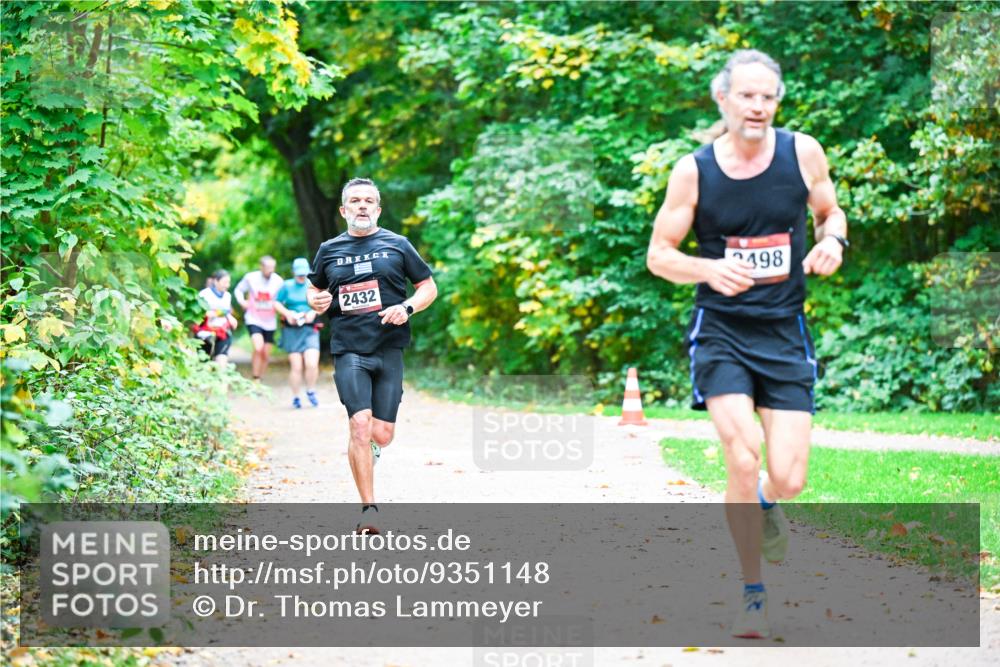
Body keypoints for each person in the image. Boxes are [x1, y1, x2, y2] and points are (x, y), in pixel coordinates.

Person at [645, 50, 848, 639]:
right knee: (741, 454)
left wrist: (834, 241)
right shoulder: (694, 171)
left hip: (785, 333)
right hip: (723, 334)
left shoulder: (802, 152)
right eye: (748, 96)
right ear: (724, 100)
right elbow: (659, 256)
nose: (758, 107)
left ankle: (766, 502)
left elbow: (831, 212)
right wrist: (708, 270)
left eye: (768, 98)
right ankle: (753, 591)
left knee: (788, 479)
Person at [306, 178, 438, 533]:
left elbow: (428, 287)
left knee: (382, 433)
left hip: (389, 347)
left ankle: (370, 449)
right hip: (349, 348)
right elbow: (314, 287)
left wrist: (407, 308)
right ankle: (369, 509)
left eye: (368, 201)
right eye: (355, 200)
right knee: (359, 425)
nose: (361, 205)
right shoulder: (329, 249)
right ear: (344, 210)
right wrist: (314, 299)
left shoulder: (397, 245)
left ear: (377, 209)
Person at [275, 257, 321, 409]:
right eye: (299, 274)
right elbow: (276, 302)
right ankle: (295, 396)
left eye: (304, 274)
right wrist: (288, 314)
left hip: (310, 329)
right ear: (294, 273)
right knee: (296, 366)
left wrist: (312, 313)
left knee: (312, 363)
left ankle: (311, 390)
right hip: (292, 329)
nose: (301, 277)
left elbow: (321, 302)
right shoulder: (286, 286)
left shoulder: (312, 285)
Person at [234, 256, 284, 381]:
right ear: (261, 267)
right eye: (268, 268)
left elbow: (282, 298)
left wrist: (281, 309)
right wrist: (242, 302)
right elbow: (238, 290)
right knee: (258, 347)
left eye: (273, 267)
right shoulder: (251, 278)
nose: (271, 270)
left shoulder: (278, 281)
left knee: (266, 354)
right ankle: (255, 377)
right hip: (253, 318)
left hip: (270, 321)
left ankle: (260, 378)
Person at [194, 269, 239, 368]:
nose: (227, 285)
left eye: (228, 282)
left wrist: (231, 318)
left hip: (222, 331)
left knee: (222, 361)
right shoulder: (204, 294)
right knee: (203, 363)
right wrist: (211, 313)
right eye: (224, 282)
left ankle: (222, 381)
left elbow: (226, 312)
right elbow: (197, 313)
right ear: (216, 281)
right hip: (205, 332)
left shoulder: (227, 296)